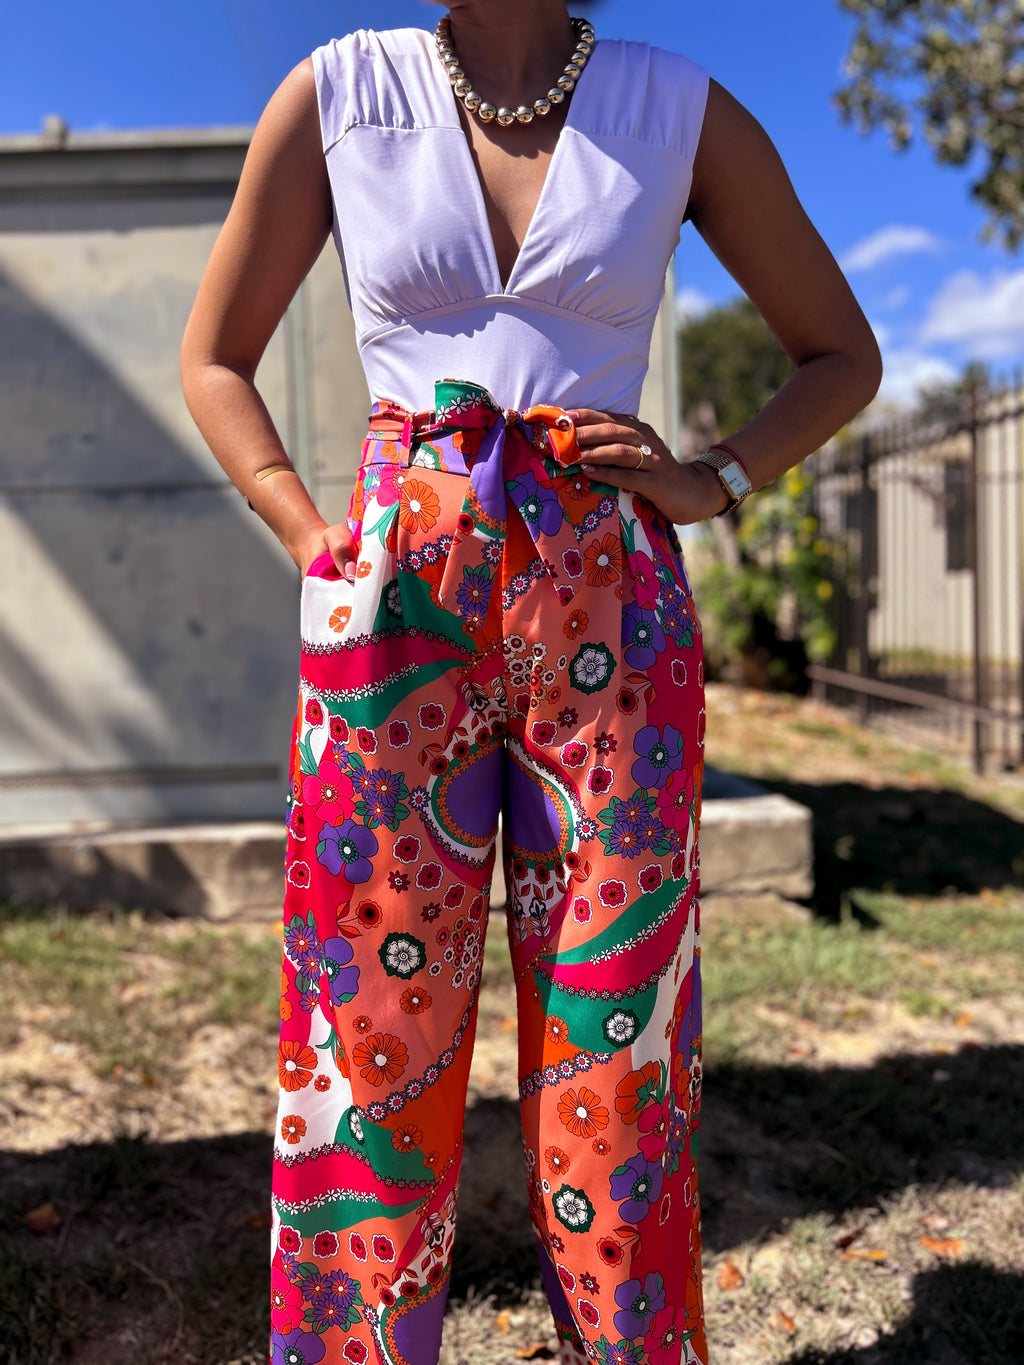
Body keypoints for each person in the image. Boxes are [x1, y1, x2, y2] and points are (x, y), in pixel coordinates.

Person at [179, 3, 881, 1362]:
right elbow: (216, 357)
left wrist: (713, 479)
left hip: (611, 606)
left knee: (616, 1038)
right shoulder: (337, 93)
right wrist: (315, 536)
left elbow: (840, 353)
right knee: (366, 1025)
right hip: (397, 609)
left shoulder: (677, 106)